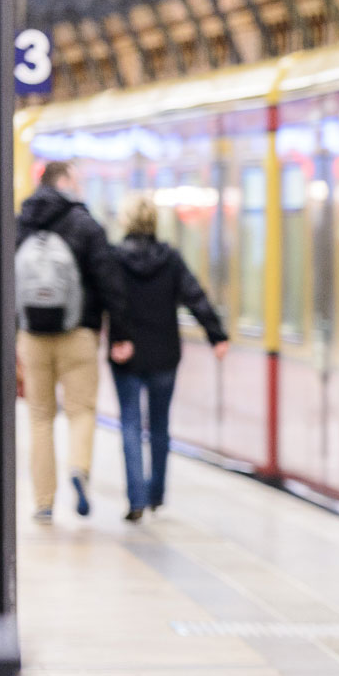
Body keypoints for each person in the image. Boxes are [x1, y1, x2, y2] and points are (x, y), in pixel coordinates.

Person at [15, 161, 131, 522]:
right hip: (79, 333)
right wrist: (121, 333)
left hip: (32, 334)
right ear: (63, 181)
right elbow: (109, 280)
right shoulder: (85, 223)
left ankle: (44, 502)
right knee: (81, 411)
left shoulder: (21, 222)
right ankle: (78, 471)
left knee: (40, 417)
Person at [110, 194, 231, 522]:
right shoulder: (171, 259)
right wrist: (216, 335)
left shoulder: (115, 259)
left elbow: (112, 301)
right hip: (164, 354)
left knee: (131, 425)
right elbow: (195, 295)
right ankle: (156, 494)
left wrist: (118, 338)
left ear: (126, 221)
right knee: (160, 426)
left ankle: (135, 499)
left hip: (127, 354)